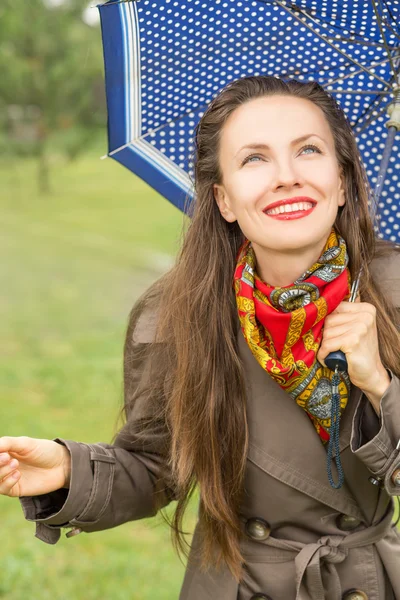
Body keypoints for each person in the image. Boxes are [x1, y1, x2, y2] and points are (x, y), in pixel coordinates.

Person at [1, 75, 400, 600]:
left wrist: (379, 384)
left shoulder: (392, 292)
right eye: (254, 159)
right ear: (224, 199)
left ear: (343, 181)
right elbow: (155, 467)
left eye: (308, 149)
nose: (286, 176)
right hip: (241, 583)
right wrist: (68, 471)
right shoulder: (179, 314)